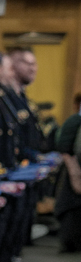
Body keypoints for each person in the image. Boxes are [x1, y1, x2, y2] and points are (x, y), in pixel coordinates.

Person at [55, 93, 81, 252]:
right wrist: (75, 174)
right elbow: (65, 149)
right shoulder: (74, 121)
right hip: (74, 169)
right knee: (72, 207)